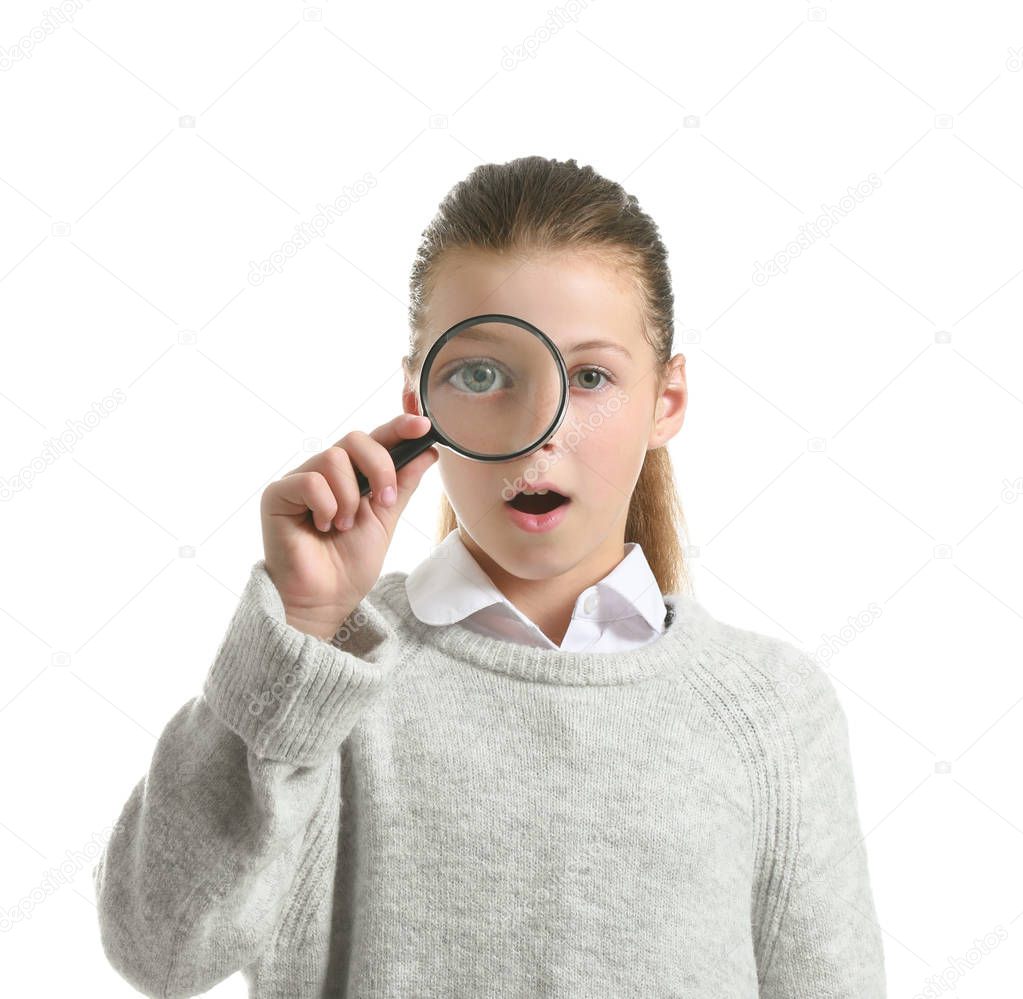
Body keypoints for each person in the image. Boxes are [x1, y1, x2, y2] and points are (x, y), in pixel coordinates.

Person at [93, 156, 887, 997]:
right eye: (480, 374)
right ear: (417, 401)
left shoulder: (770, 708)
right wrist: (298, 630)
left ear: (668, 399)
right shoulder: (331, 678)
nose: (536, 434)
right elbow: (159, 946)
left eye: (589, 377)